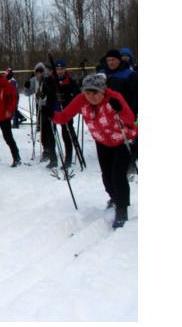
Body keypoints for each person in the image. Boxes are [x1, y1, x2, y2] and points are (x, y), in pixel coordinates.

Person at [51, 73, 137, 229]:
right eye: (88, 92)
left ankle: (122, 208)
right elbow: (64, 117)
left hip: (122, 141)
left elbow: (130, 119)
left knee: (118, 175)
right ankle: (114, 197)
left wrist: (120, 109)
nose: (92, 97)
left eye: (95, 92)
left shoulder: (113, 97)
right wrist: (50, 115)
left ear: (103, 91)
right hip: (102, 142)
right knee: (107, 176)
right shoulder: (81, 100)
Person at [27, 62, 59, 168]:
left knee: (50, 132)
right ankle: (46, 150)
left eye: (41, 71)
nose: (39, 74)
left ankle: (53, 156)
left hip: (48, 108)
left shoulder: (48, 79)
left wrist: (45, 94)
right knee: (43, 131)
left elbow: (52, 92)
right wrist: (27, 86)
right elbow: (28, 92)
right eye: (37, 72)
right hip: (39, 107)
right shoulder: (34, 80)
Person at [52, 59, 80, 170]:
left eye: (61, 69)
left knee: (66, 134)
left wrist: (67, 98)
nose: (59, 71)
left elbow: (78, 96)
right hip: (54, 110)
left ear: (65, 69)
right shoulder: (51, 80)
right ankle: (52, 157)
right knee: (51, 134)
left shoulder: (71, 81)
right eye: (57, 69)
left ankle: (68, 159)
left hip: (67, 111)